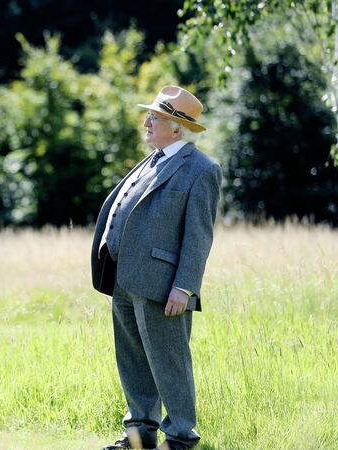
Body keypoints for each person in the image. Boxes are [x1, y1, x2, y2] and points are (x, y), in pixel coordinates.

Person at [91, 86, 221, 450]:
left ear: (177, 128)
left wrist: (185, 287)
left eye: (156, 118)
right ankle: (139, 437)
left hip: (164, 287)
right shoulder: (153, 159)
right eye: (150, 115)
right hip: (123, 281)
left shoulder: (202, 169)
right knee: (133, 363)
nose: (146, 122)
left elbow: (199, 236)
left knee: (170, 365)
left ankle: (180, 438)